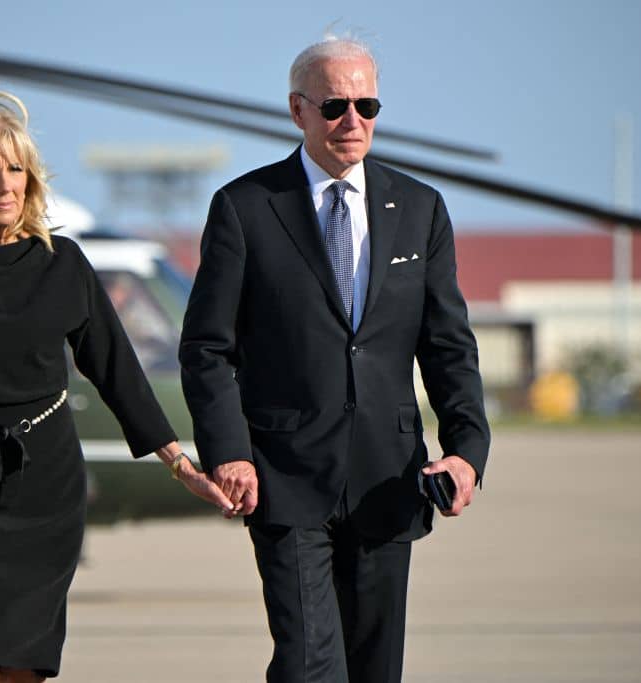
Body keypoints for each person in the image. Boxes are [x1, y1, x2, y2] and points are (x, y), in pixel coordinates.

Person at [0, 90, 232, 683]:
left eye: (15, 169)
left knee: (22, 673)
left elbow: (117, 372)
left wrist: (179, 464)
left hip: (43, 490)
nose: (4, 184)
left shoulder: (65, 264)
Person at [179, 36, 491, 682]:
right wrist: (229, 450)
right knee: (307, 666)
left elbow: (448, 345)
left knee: (376, 670)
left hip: (387, 480)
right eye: (335, 106)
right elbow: (207, 349)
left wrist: (466, 448)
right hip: (286, 479)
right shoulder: (244, 209)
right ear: (298, 110)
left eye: (367, 104)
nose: (353, 120)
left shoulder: (421, 210)